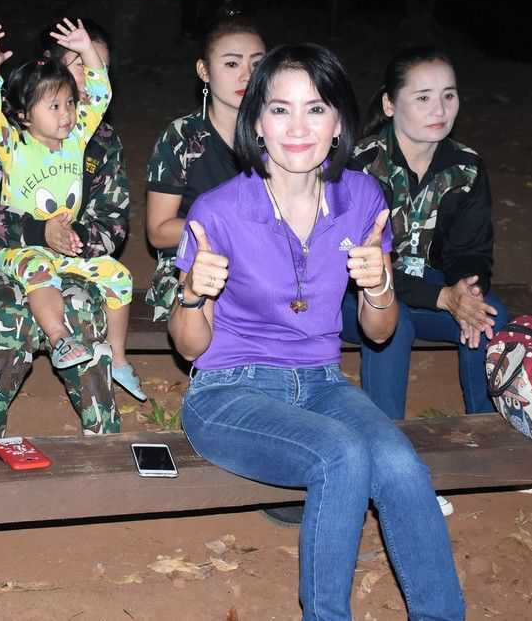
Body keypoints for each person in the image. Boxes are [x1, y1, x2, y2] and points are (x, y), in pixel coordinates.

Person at [169, 43, 465, 621]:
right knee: (341, 455)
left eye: (316, 109)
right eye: (280, 110)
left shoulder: (362, 199)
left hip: (322, 384)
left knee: (401, 465)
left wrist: (379, 285)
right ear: (257, 123)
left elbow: (379, 332)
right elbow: (190, 346)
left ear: (338, 124)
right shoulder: (218, 210)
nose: (298, 128)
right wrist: (193, 293)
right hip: (230, 392)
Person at [0, 18, 130, 439]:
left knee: (82, 309)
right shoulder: (7, 139)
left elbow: (113, 224)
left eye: (97, 65)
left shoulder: (93, 137)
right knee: (7, 317)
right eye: (79, 64)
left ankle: (103, 441)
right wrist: (37, 232)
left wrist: (72, 239)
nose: (86, 79)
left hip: (67, 257)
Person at [340, 47, 509, 417]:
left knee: (490, 315)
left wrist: (467, 292)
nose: (440, 110)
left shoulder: (466, 168)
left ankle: (486, 431)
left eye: (449, 96)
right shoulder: (358, 166)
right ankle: (386, 437)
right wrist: (441, 298)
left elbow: (472, 249)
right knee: (394, 325)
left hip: (433, 289)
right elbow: (350, 267)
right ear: (389, 104)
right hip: (356, 298)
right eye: (423, 98)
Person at [145, 13, 265, 322]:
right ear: (204, 71)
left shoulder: (279, 134)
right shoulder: (182, 138)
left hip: (264, 264)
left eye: (256, 64)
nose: (246, 76)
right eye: (232, 64)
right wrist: (232, 227)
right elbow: (159, 232)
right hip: (192, 266)